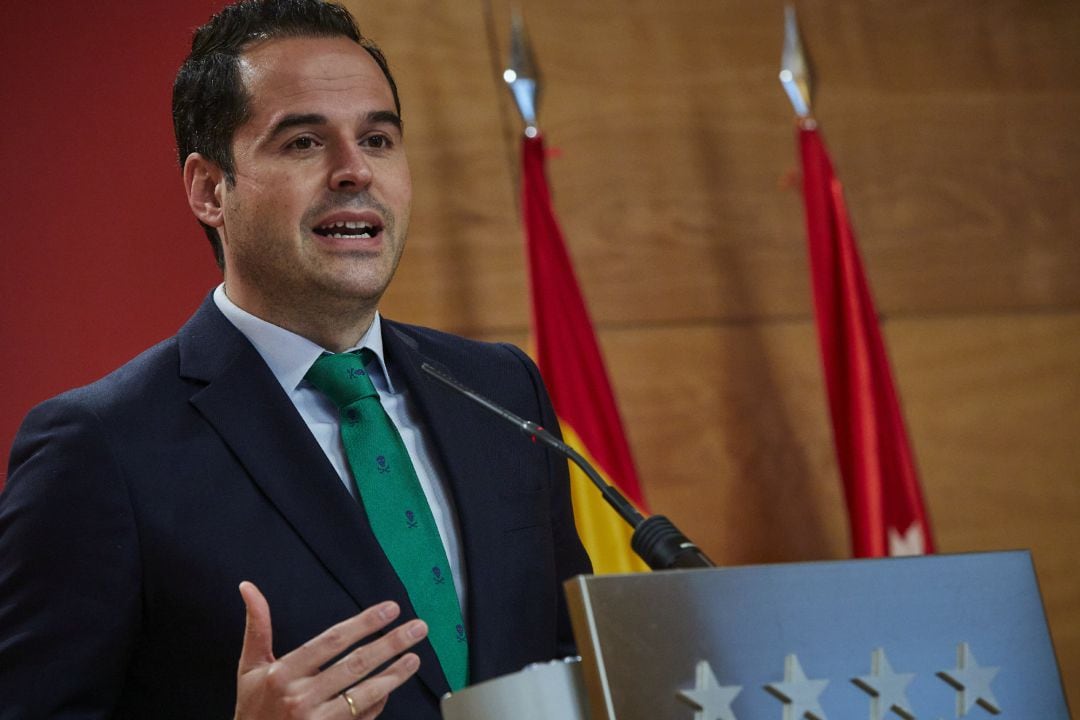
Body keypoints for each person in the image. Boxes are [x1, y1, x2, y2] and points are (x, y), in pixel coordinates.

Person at [0, 1, 591, 718]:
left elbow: (576, 660)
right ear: (210, 190)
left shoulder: (501, 391)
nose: (353, 172)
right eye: (304, 143)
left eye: (377, 139)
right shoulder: (98, 449)